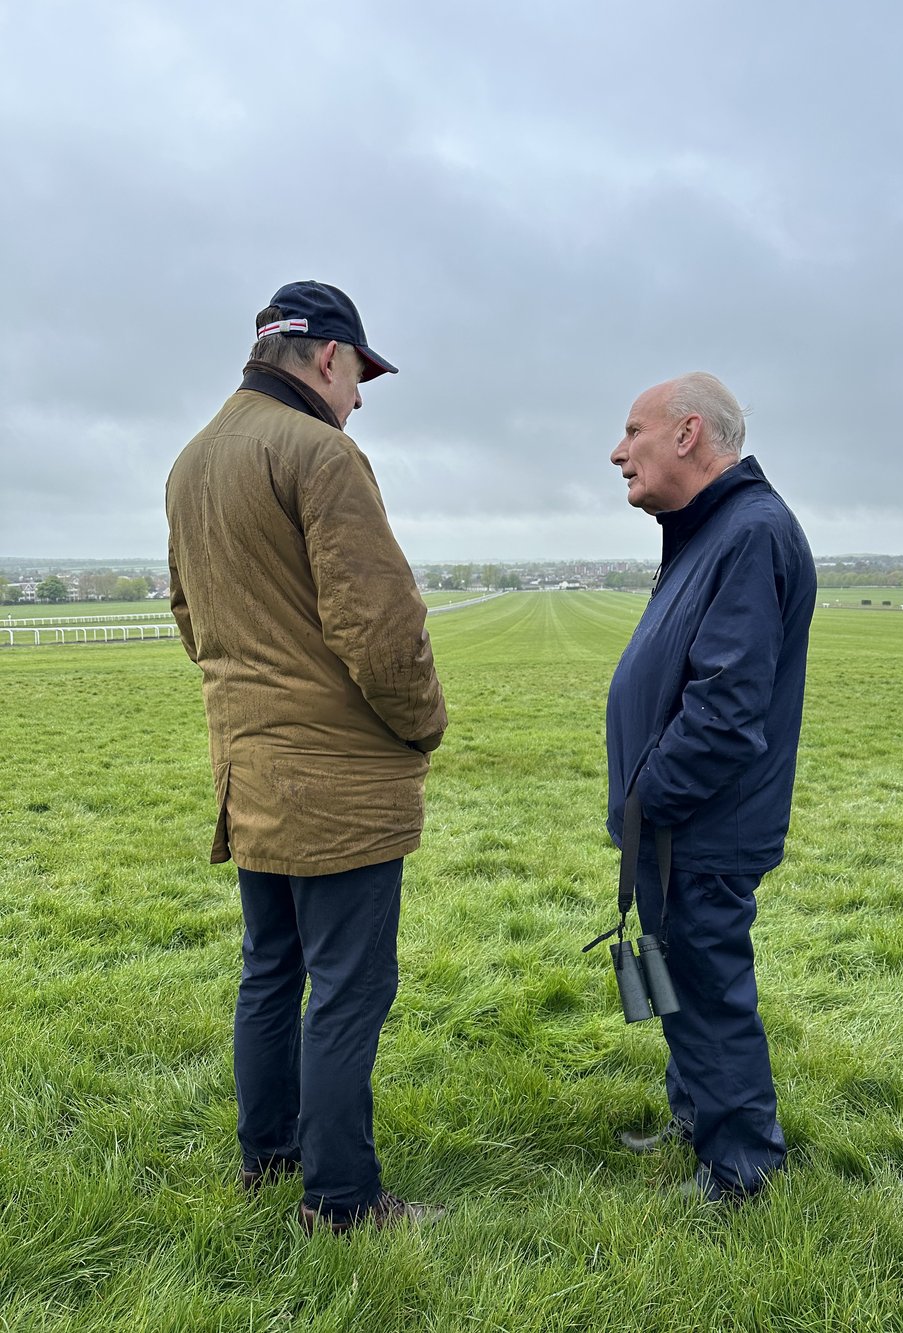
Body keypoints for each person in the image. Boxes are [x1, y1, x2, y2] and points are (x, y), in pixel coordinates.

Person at [166, 281, 447, 1235]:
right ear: (327, 356)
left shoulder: (192, 461)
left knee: (269, 969)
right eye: (361, 374)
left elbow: (189, 620)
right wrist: (422, 724)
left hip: (248, 774)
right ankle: (340, 1201)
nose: (361, 395)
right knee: (350, 987)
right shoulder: (321, 453)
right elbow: (380, 624)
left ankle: (268, 1157)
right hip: (339, 783)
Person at [606, 372, 815, 1203]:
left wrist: (647, 801)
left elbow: (726, 710)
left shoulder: (750, 532)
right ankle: (700, 1118)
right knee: (686, 985)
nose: (618, 451)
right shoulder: (709, 531)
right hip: (676, 825)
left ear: (689, 434)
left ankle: (742, 1172)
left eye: (633, 431)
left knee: (710, 991)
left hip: (702, 825)